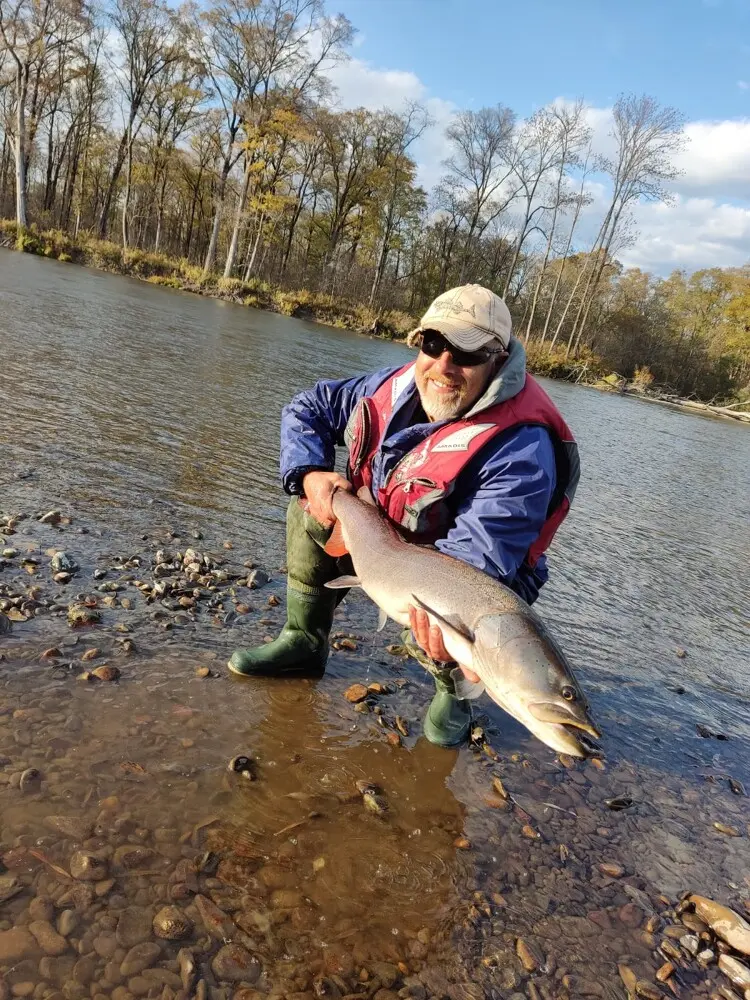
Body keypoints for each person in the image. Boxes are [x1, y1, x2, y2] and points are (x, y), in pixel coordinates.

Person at [229, 284, 580, 747]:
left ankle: (454, 695)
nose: (444, 366)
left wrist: (452, 641)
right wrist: (312, 472)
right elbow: (307, 407)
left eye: (467, 353)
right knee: (309, 506)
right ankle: (303, 640)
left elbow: (471, 567)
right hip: (387, 536)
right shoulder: (390, 386)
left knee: (447, 628)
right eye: (433, 344)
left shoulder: (523, 452)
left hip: (480, 574)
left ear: (497, 358)